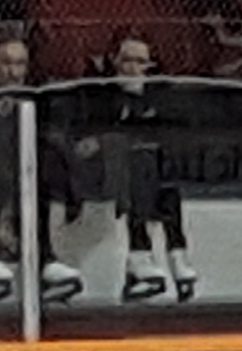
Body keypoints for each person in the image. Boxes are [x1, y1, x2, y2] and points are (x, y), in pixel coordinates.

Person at [0, 32, 77, 308]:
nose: (14, 73)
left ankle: (45, 258)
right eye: (7, 63)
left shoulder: (39, 104)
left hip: (26, 174)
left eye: (21, 64)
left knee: (42, 165)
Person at [69, 33, 193, 304]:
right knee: (139, 163)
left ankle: (171, 254)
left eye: (140, 62)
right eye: (126, 60)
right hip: (106, 172)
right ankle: (147, 255)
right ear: (114, 61)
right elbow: (89, 136)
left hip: (150, 172)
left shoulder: (160, 97)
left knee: (160, 171)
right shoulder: (101, 95)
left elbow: (171, 132)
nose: (132, 68)